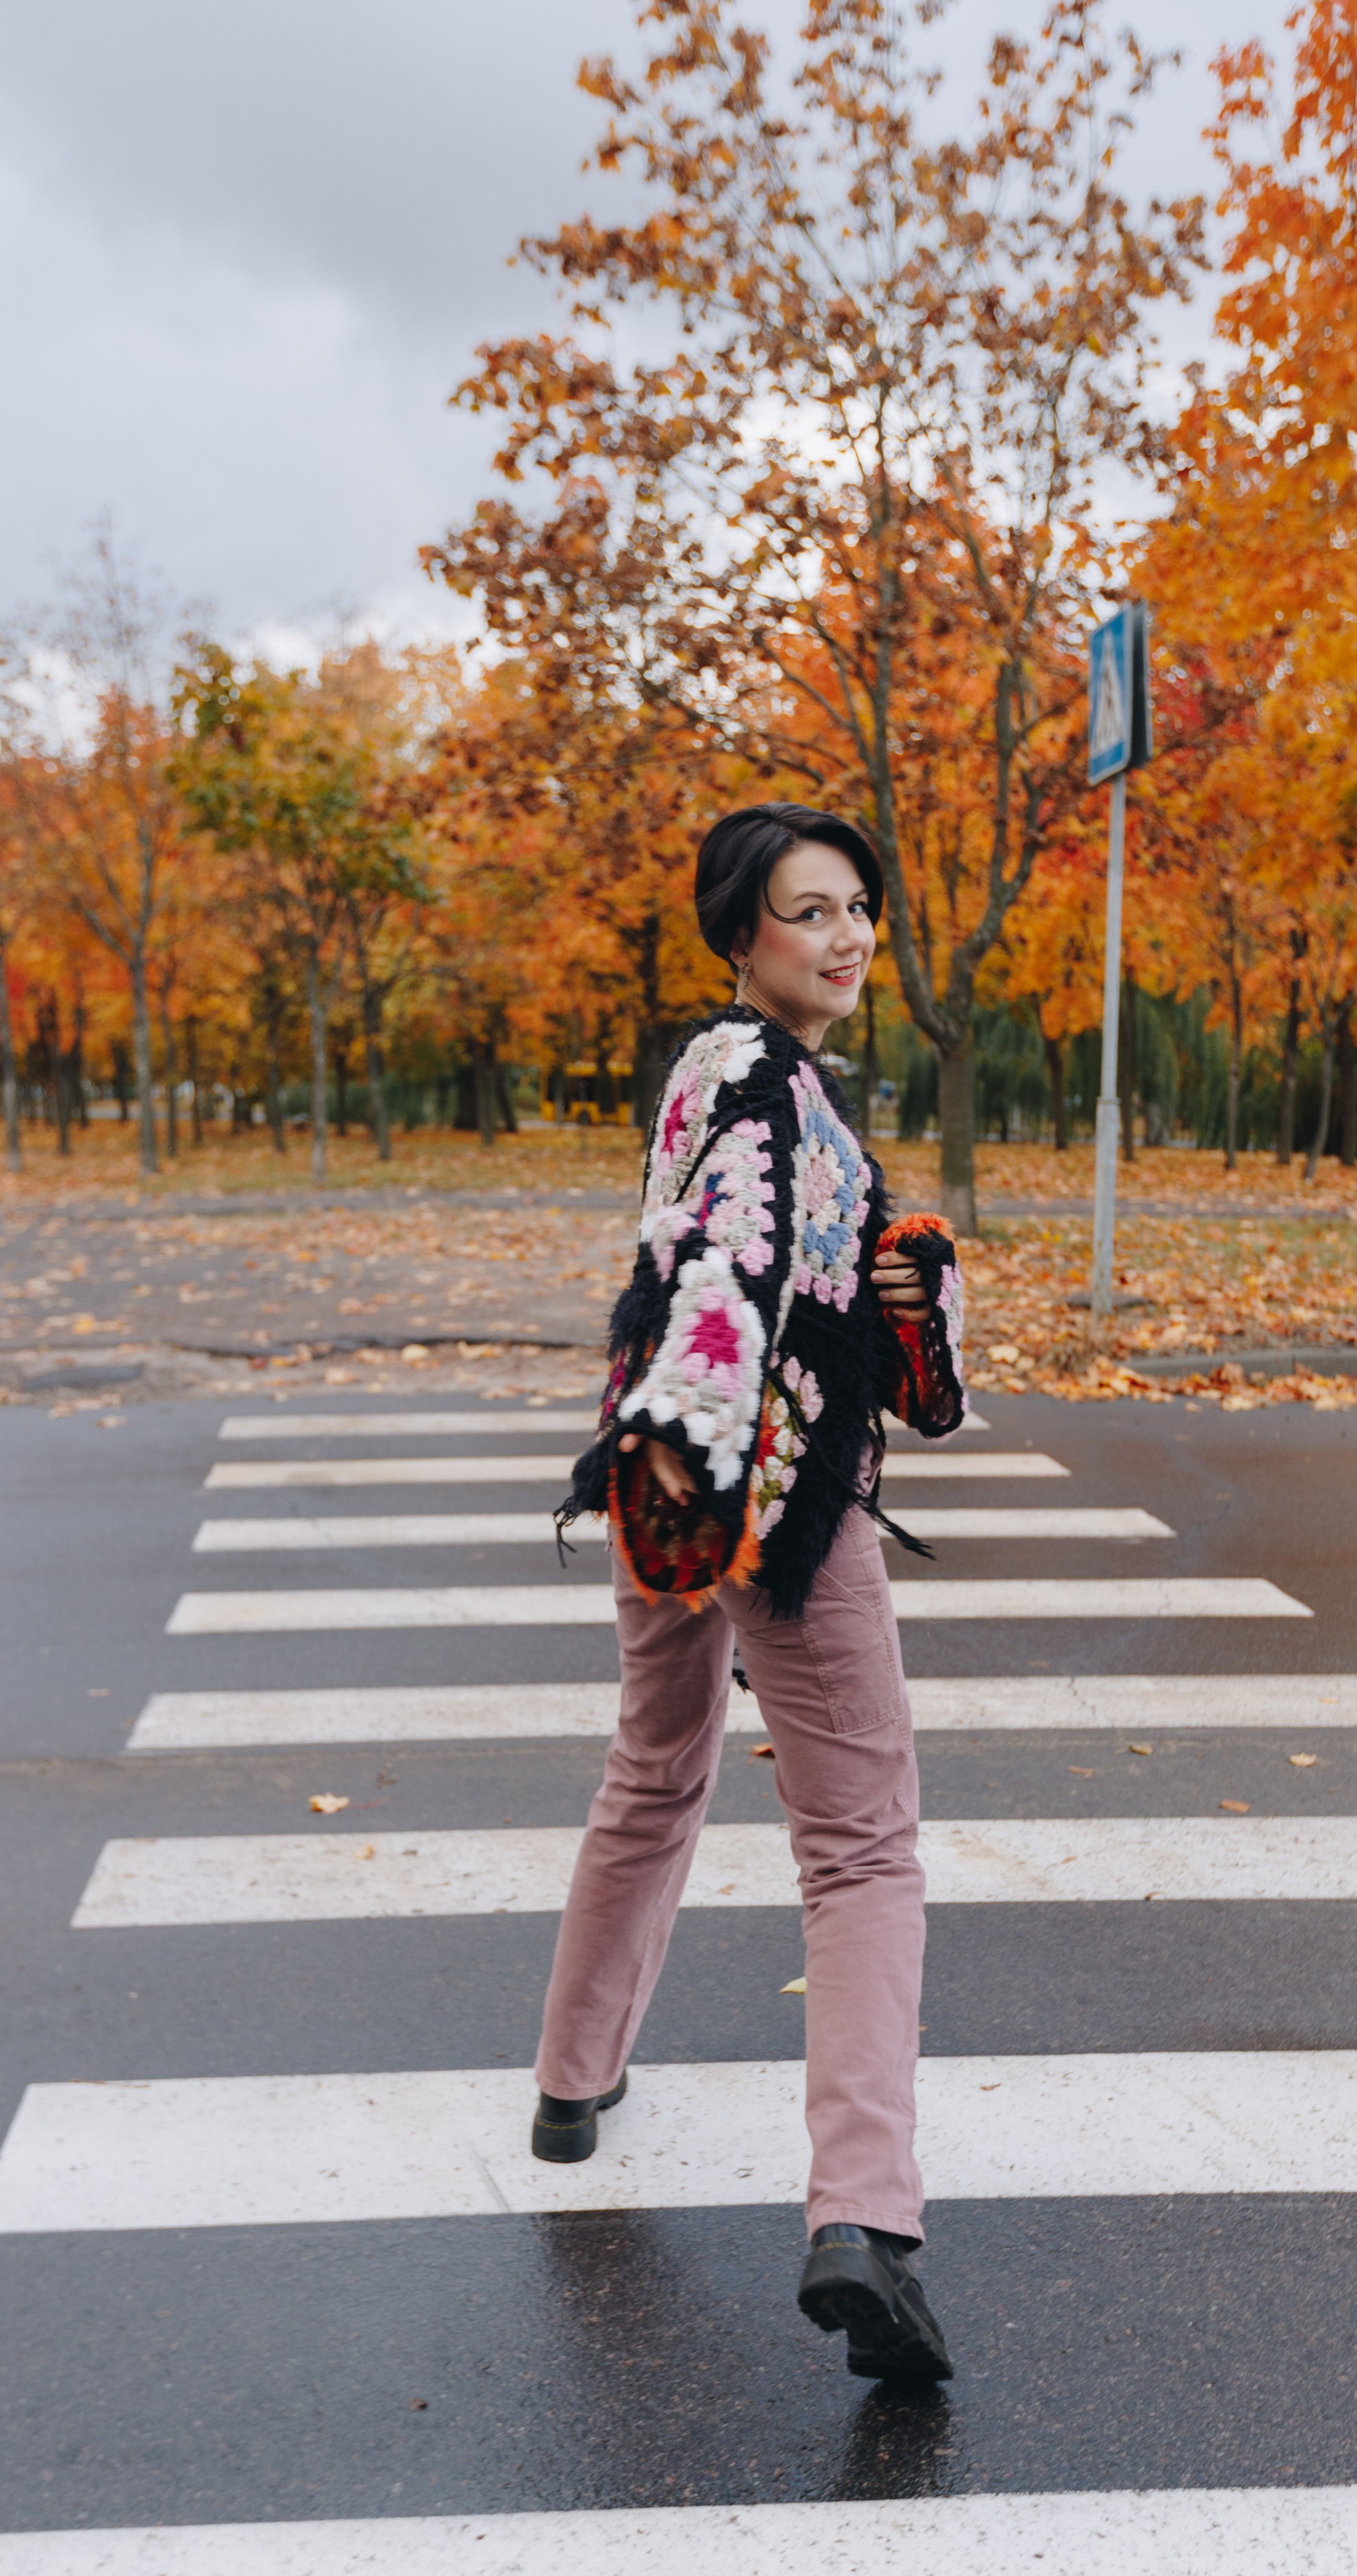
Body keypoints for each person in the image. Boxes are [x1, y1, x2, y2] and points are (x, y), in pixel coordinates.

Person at [535, 801, 967, 2383]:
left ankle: (571, 2084)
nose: (848, 937)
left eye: (859, 907)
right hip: (758, 1500)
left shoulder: (712, 1077)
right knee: (861, 1850)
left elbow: (732, 1262)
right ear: (741, 936)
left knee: (652, 1768)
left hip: (666, 1475)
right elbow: (730, 1267)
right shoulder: (760, 1080)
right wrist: (723, 1459)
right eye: (810, 912)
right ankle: (863, 2219)